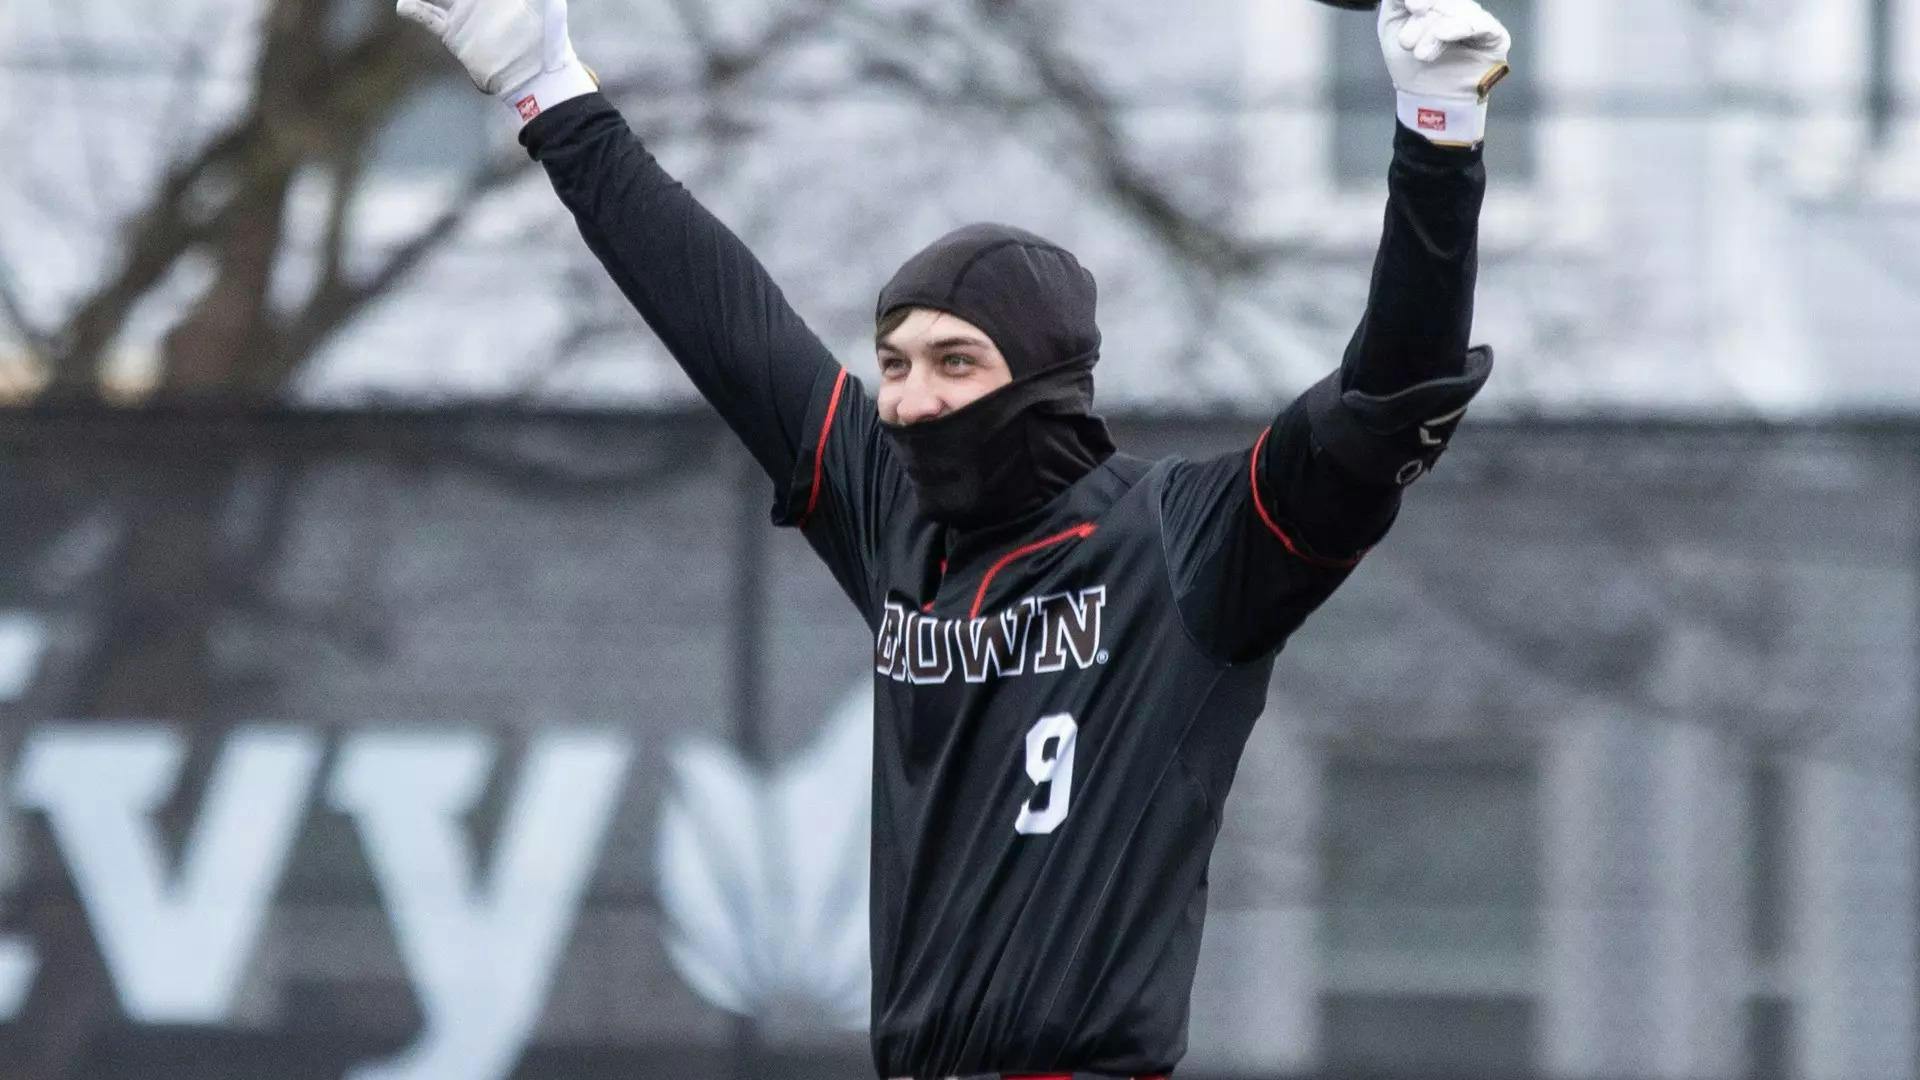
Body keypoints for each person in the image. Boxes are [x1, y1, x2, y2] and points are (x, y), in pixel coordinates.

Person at [398, 0, 1511, 1076]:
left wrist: (1438, 134)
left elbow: (1392, 393)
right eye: (894, 364)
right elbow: (718, 314)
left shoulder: (1184, 545)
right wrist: (550, 87)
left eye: (956, 361)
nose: (914, 399)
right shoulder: (898, 514)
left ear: (1046, 380)